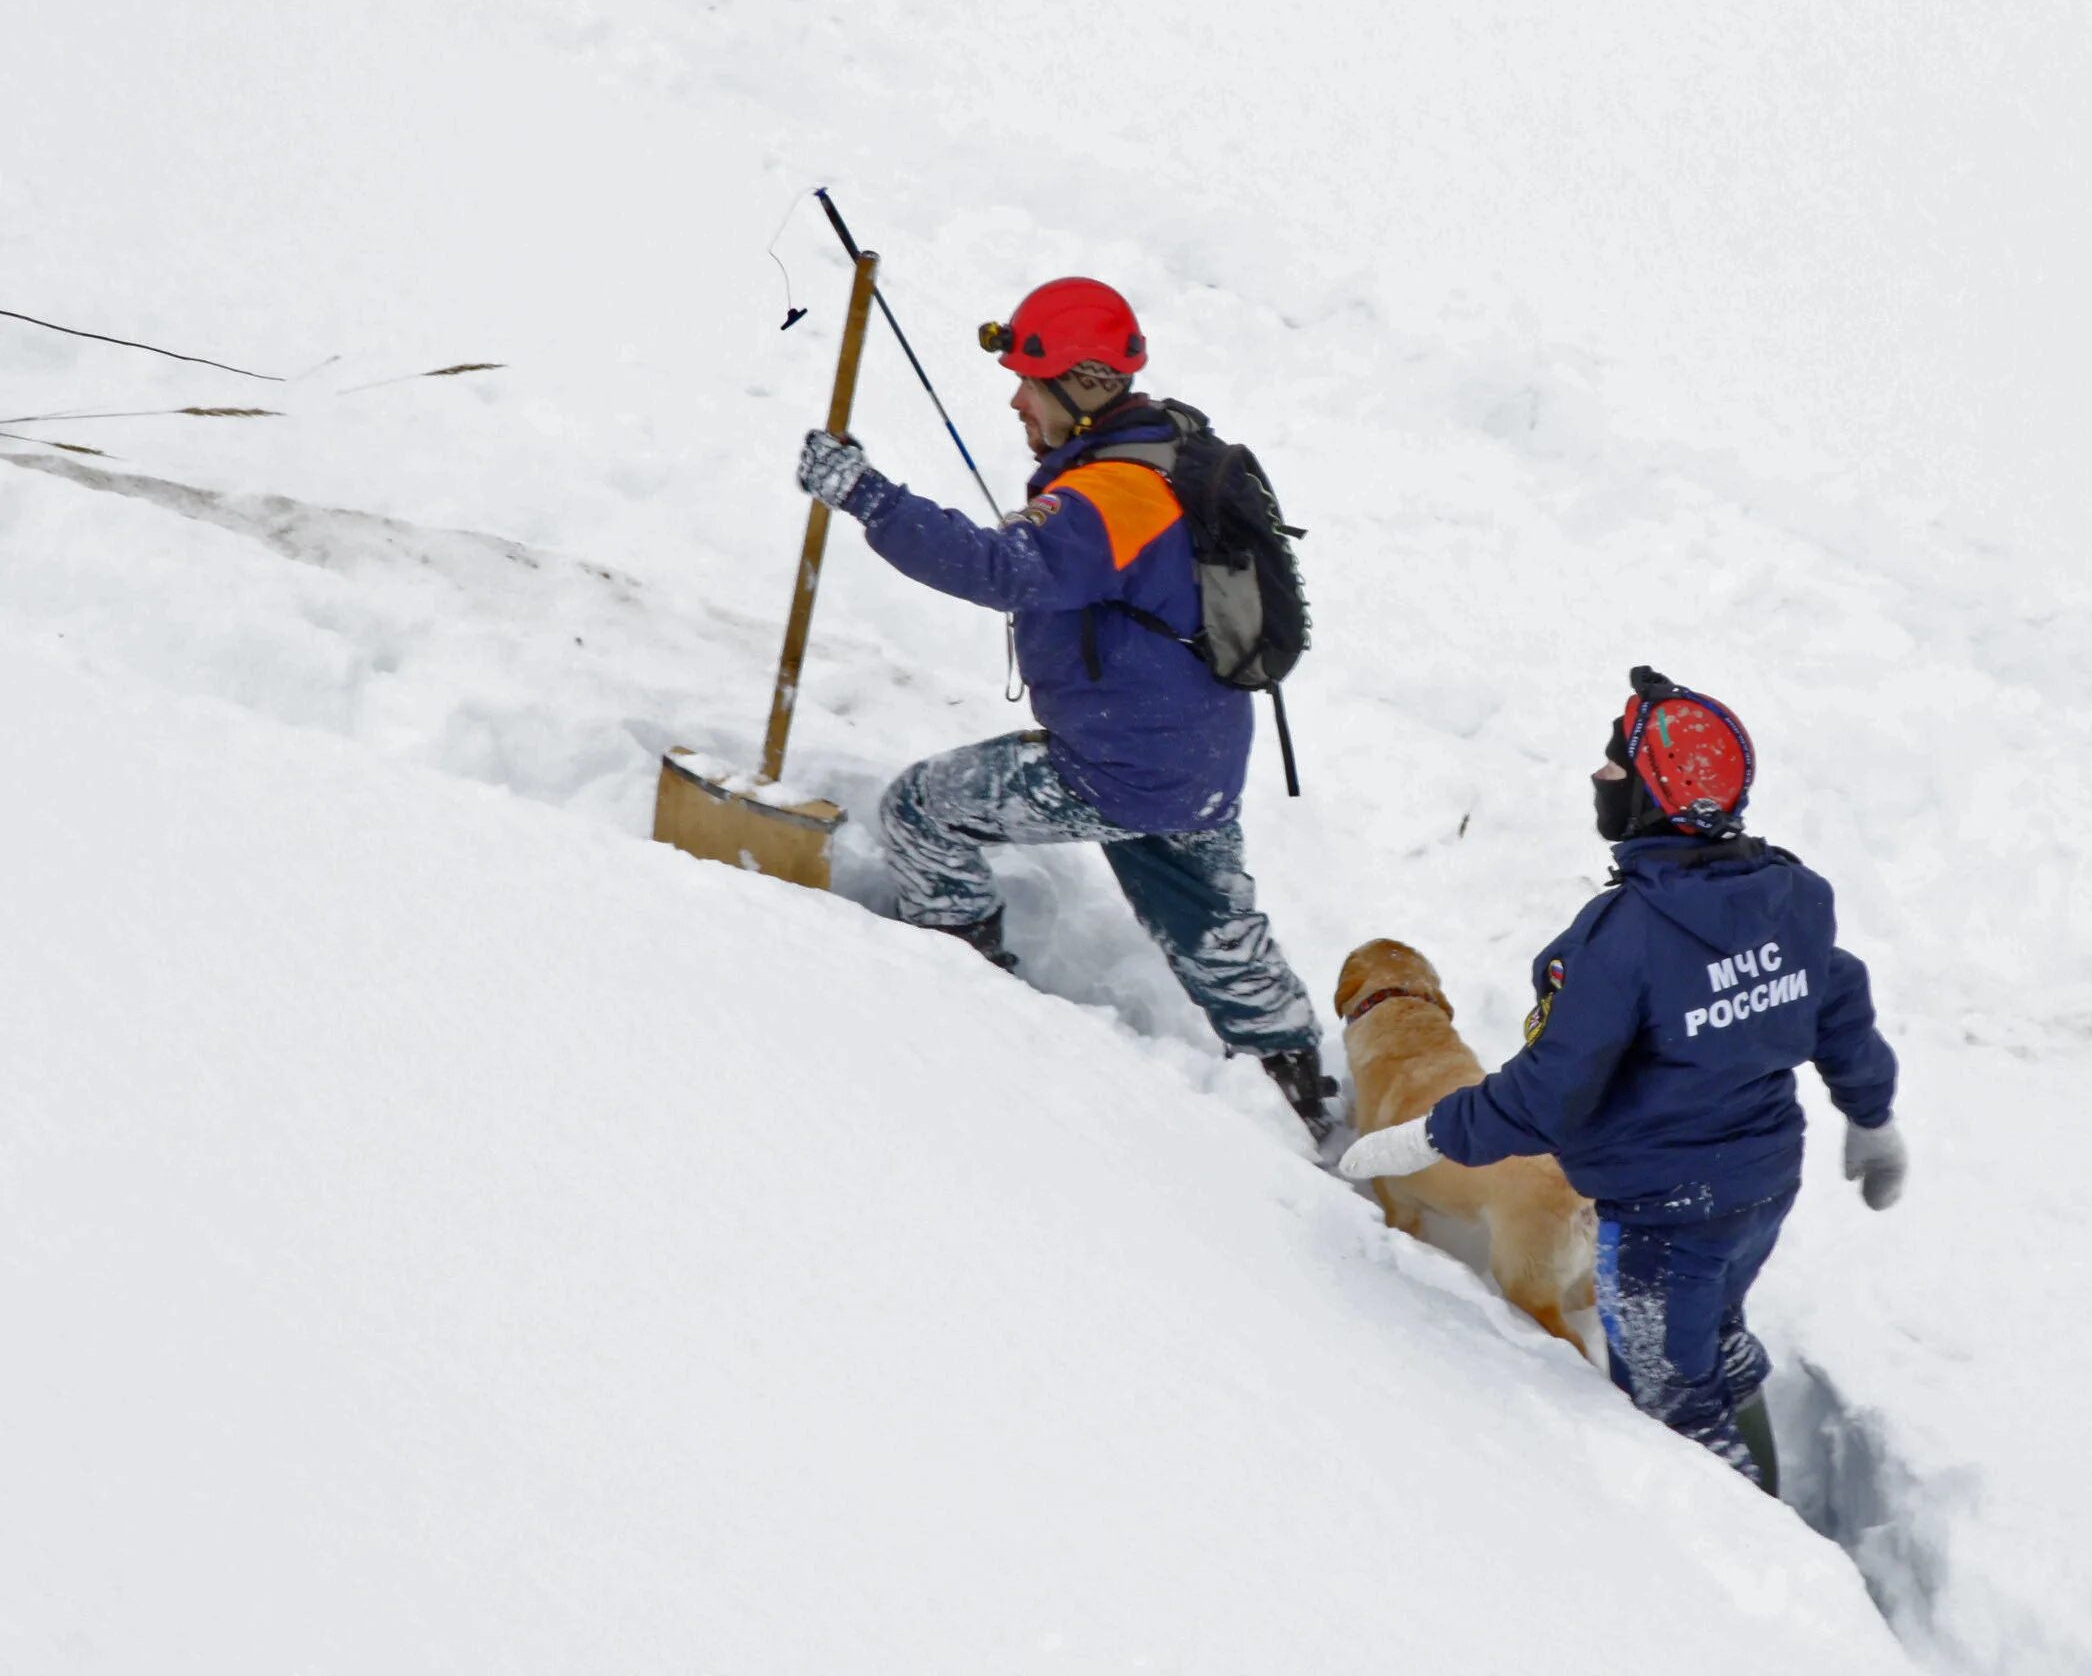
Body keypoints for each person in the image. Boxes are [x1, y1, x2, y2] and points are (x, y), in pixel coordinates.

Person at [792, 277, 1334, 1141]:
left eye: (1027, 381)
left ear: (1080, 386)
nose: (1014, 398)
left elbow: (998, 568)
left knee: (923, 812)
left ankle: (961, 995)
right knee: (1214, 924)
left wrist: (868, 496)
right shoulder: (1165, 450)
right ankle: (1301, 1083)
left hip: (1118, 763)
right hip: (1196, 754)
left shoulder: (1114, 496)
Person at [1337, 667, 1906, 1489]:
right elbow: (1840, 1001)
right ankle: (1735, 1399)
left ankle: (1774, 1574)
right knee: (1711, 1336)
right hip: (1762, 1186)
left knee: (1674, 1406)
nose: (1600, 778)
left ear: (1653, 796)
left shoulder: (1619, 941)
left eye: (1616, 766)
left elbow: (1545, 1098)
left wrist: (1425, 1135)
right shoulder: (1788, 895)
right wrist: (1871, 1113)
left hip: (1662, 1220)